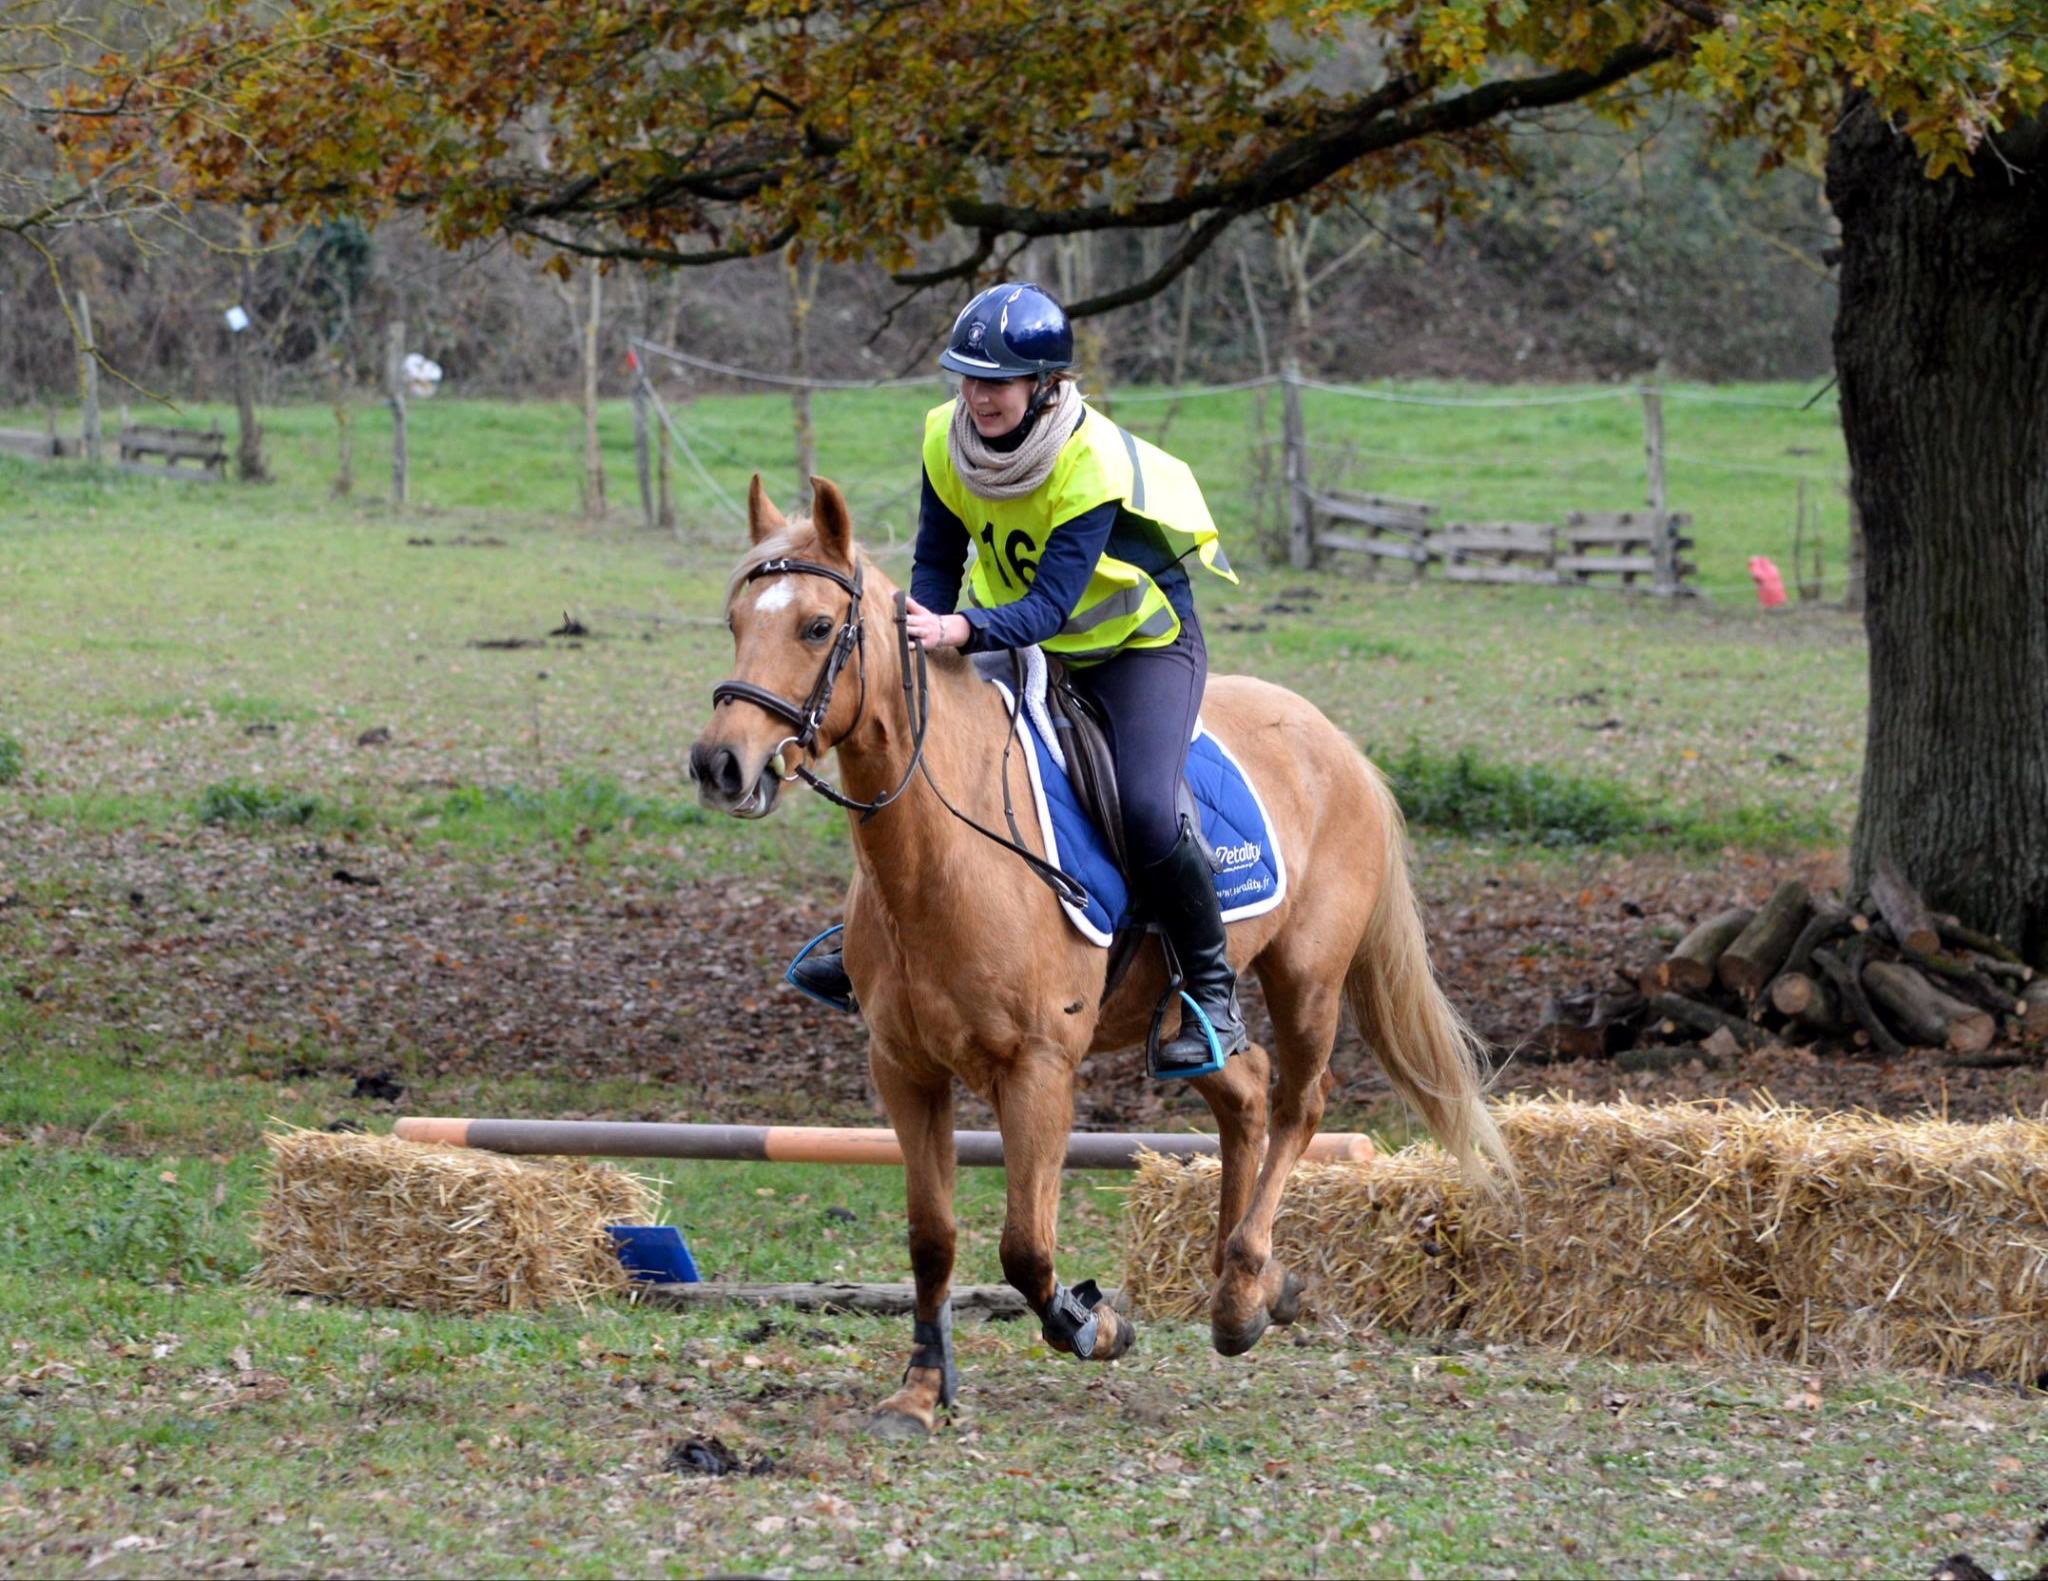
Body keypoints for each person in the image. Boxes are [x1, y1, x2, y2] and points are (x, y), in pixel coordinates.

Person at [789, 281, 1244, 1078]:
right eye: (967, 377)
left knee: (1142, 803)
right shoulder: (946, 438)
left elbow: (1052, 605)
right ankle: (868, 946)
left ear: (1045, 385)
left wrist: (959, 630)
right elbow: (937, 558)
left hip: (1133, 646)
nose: (978, 396)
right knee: (918, 756)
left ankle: (1210, 987)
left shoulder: (1090, 460)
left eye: (996, 382)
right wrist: (918, 630)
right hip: (1009, 632)